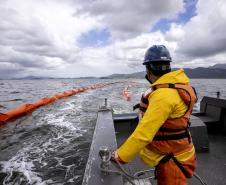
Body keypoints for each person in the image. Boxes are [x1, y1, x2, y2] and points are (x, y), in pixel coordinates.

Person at [112, 45, 197, 185]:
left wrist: (120, 156)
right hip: (178, 150)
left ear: (148, 69)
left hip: (172, 157)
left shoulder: (163, 95)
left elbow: (144, 133)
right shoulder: (178, 86)